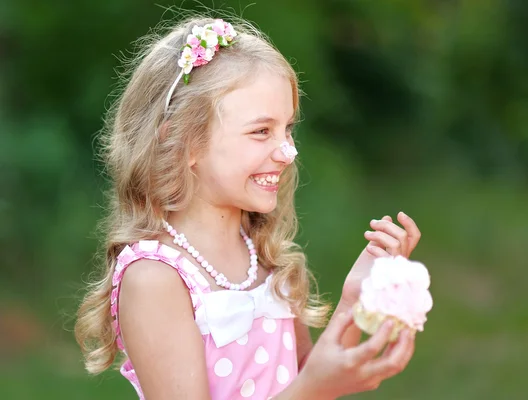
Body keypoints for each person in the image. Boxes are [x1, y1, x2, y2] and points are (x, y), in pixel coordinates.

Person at [75, 14, 422, 400]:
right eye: (261, 131)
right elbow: (307, 391)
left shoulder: (265, 254)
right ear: (183, 142)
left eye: (288, 129)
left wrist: (354, 298)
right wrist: (311, 389)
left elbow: (309, 381)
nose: (288, 152)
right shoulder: (155, 278)